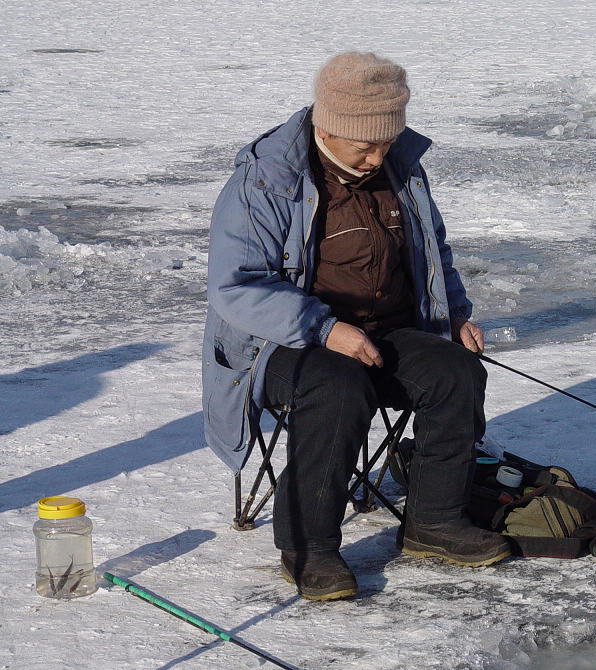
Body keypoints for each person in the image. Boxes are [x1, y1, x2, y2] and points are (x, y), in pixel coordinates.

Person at [202, 51, 512, 601]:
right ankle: (309, 547)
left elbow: (431, 252)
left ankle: (434, 523)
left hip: (384, 329)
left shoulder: (401, 168)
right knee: (337, 387)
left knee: (455, 372)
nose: (376, 158)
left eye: (385, 143)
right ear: (327, 127)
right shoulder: (266, 181)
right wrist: (324, 329)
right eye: (362, 146)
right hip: (280, 343)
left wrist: (456, 315)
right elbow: (235, 288)